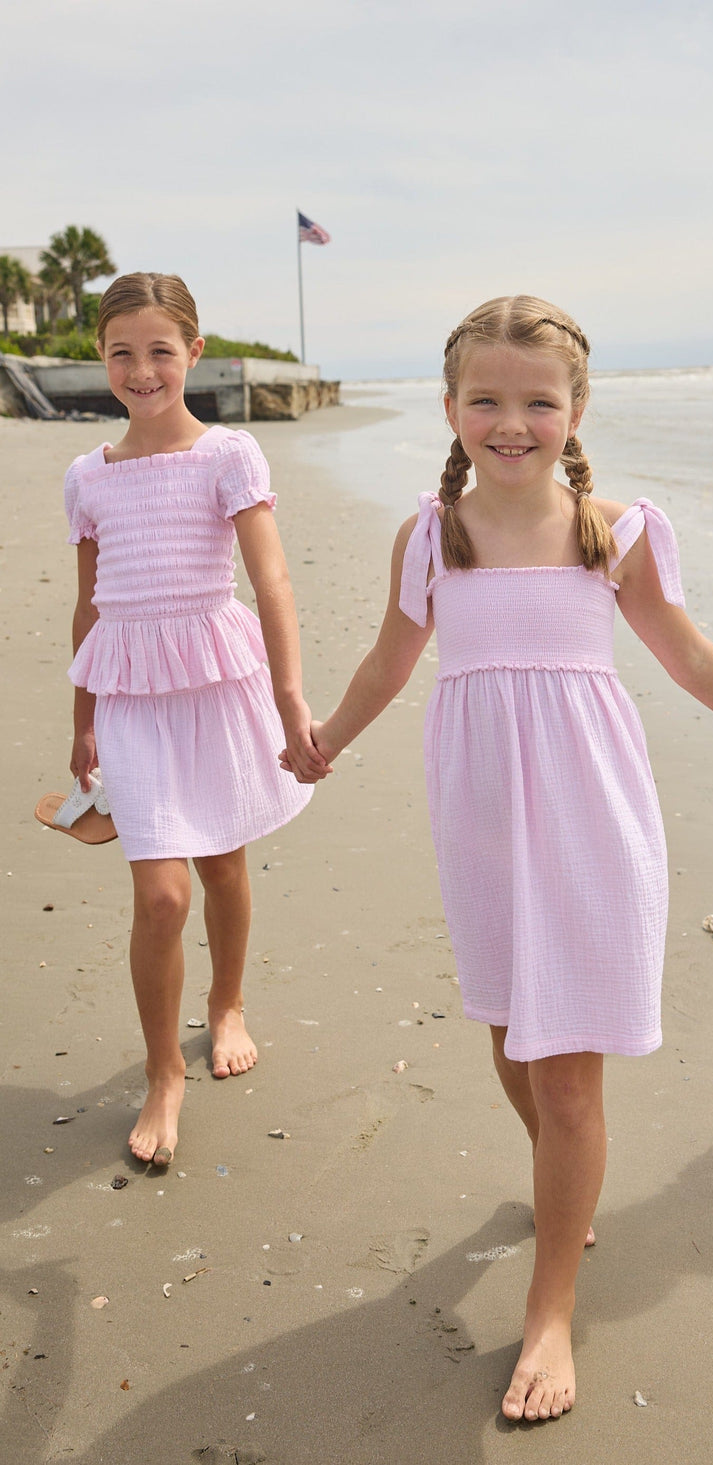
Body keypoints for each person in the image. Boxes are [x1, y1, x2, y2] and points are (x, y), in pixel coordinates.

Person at [287, 295, 713, 1422]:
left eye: (537, 400)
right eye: (486, 399)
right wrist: (325, 738)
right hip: (477, 812)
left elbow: (682, 649)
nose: (510, 421)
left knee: (567, 1065)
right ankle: (562, 1175)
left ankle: (548, 1311)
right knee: (508, 1035)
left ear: (575, 409)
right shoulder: (430, 534)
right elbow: (391, 660)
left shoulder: (613, 529)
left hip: (588, 811)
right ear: (449, 409)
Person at [63, 272, 324, 1167]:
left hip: (217, 686)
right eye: (121, 352)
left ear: (193, 352)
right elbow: (89, 606)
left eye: (160, 351)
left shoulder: (229, 456)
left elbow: (272, 581)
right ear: (101, 357)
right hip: (130, 694)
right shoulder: (87, 477)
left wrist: (291, 701)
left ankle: (226, 1004)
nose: (142, 369)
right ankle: (163, 1068)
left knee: (220, 863)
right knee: (161, 892)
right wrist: (81, 719)